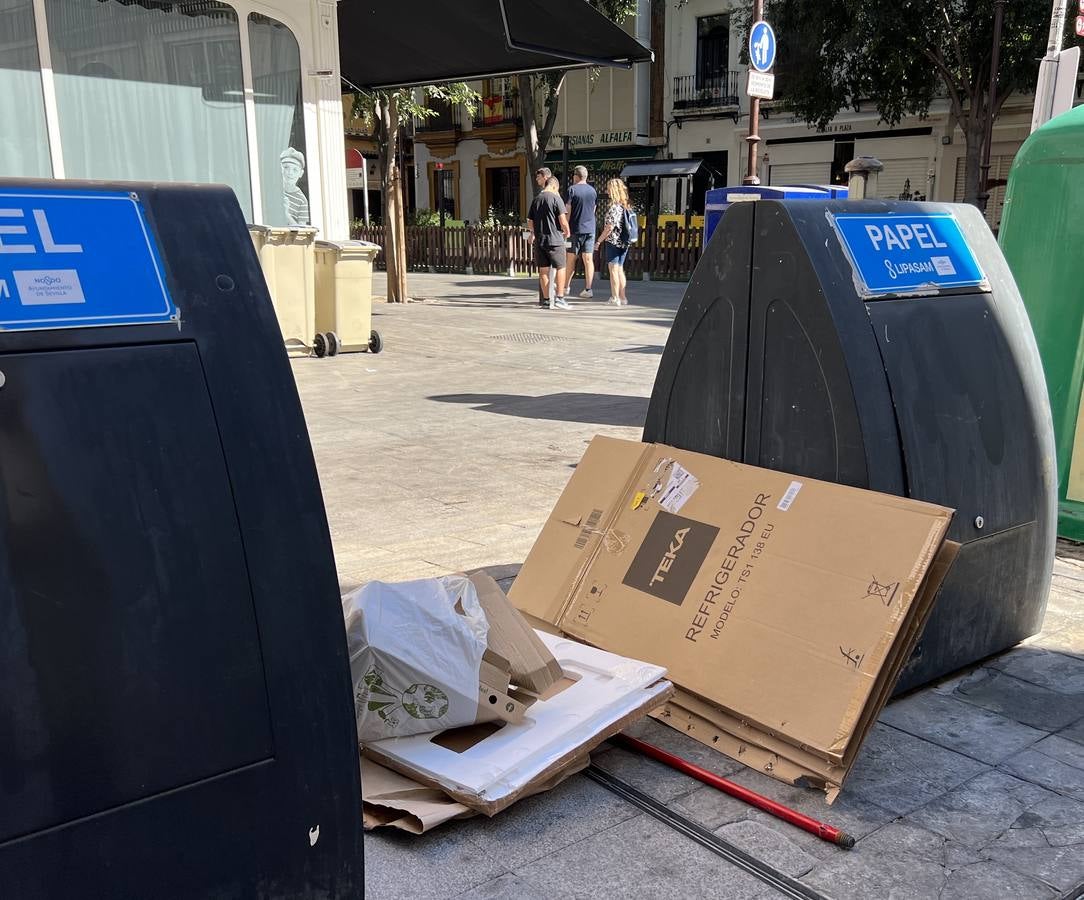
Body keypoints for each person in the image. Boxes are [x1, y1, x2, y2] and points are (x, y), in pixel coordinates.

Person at [527, 176, 571, 309]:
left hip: (540, 241)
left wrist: (534, 232)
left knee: (543, 271)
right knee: (561, 267)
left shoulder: (536, 200)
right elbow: (563, 220)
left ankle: (546, 301)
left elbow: (530, 221)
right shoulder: (556, 199)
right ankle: (560, 298)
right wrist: (567, 231)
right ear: (554, 186)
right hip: (555, 240)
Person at [595, 177, 631, 306]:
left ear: (613, 190)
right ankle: (623, 297)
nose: (607, 191)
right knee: (620, 269)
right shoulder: (626, 206)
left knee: (613, 270)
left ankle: (615, 297)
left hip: (613, 242)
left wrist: (599, 241)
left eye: (608, 189)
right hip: (624, 242)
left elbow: (609, 227)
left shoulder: (614, 208)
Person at [564, 165, 597, 298]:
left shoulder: (572, 189)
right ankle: (588, 289)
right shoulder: (593, 191)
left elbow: (568, 210)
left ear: (575, 176)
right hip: (590, 229)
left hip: (575, 229)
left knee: (570, 259)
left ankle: (565, 287)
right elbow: (593, 209)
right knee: (588, 259)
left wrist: (565, 227)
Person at [280, 147, 310, 226]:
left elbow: (301, 230)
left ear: (301, 173)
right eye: (286, 167)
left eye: (295, 170)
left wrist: (286, 214)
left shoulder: (302, 200)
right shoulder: (273, 191)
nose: (290, 172)